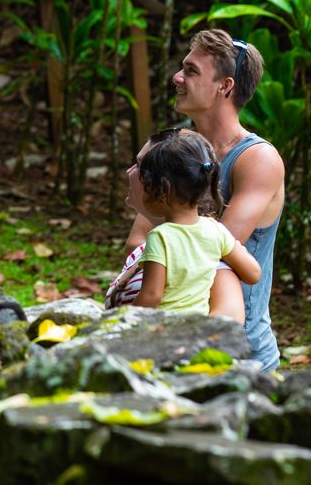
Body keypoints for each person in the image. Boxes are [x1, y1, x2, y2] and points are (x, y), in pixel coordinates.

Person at [115, 30, 285, 368]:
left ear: (225, 86)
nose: (177, 77)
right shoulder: (180, 147)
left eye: (191, 71)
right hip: (167, 344)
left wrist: (162, 229)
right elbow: (136, 242)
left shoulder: (257, 159)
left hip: (239, 352)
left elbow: (211, 252)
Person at [127, 129, 261, 314]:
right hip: (197, 329)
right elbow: (253, 274)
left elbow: (152, 296)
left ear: (163, 189)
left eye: (147, 183)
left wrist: (123, 320)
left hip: (165, 330)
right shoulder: (216, 230)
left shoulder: (160, 237)